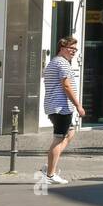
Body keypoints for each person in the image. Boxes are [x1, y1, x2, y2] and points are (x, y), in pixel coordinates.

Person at [41, 36, 85, 186]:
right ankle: (50, 174)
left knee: (70, 133)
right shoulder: (62, 64)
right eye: (71, 48)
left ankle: (50, 164)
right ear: (62, 48)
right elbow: (66, 87)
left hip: (56, 106)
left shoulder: (55, 62)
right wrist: (78, 105)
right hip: (60, 107)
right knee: (58, 139)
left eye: (75, 49)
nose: (74, 52)